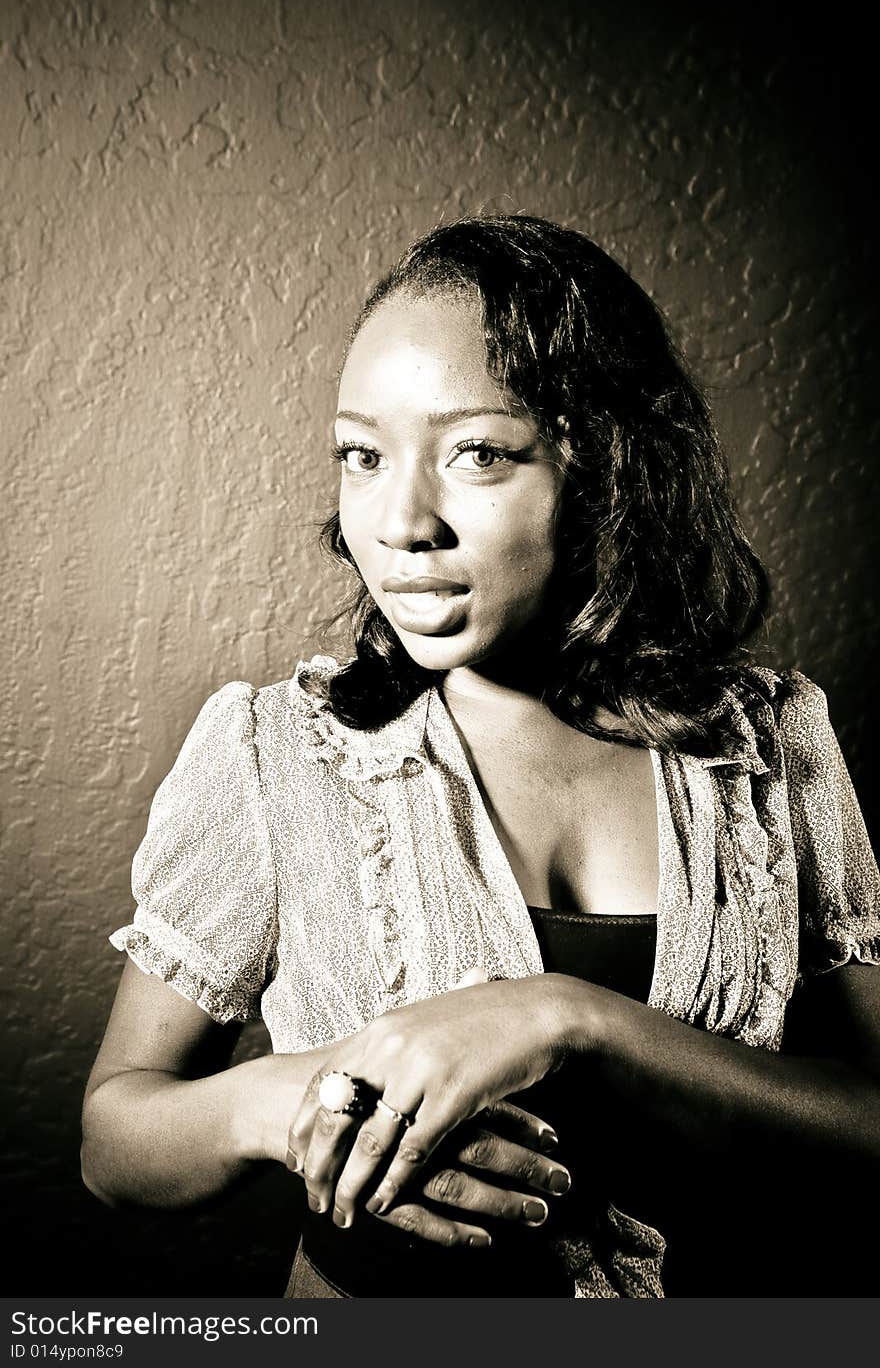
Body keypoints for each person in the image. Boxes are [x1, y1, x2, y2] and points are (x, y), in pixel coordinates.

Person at [81, 215, 880, 1298]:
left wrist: (567, 1019)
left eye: (477, 454)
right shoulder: (280, 753)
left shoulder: (770, 745)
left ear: (606, 470)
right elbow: (114, 1142)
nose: (401, 520)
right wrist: (301, 1096)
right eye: (362, 455)